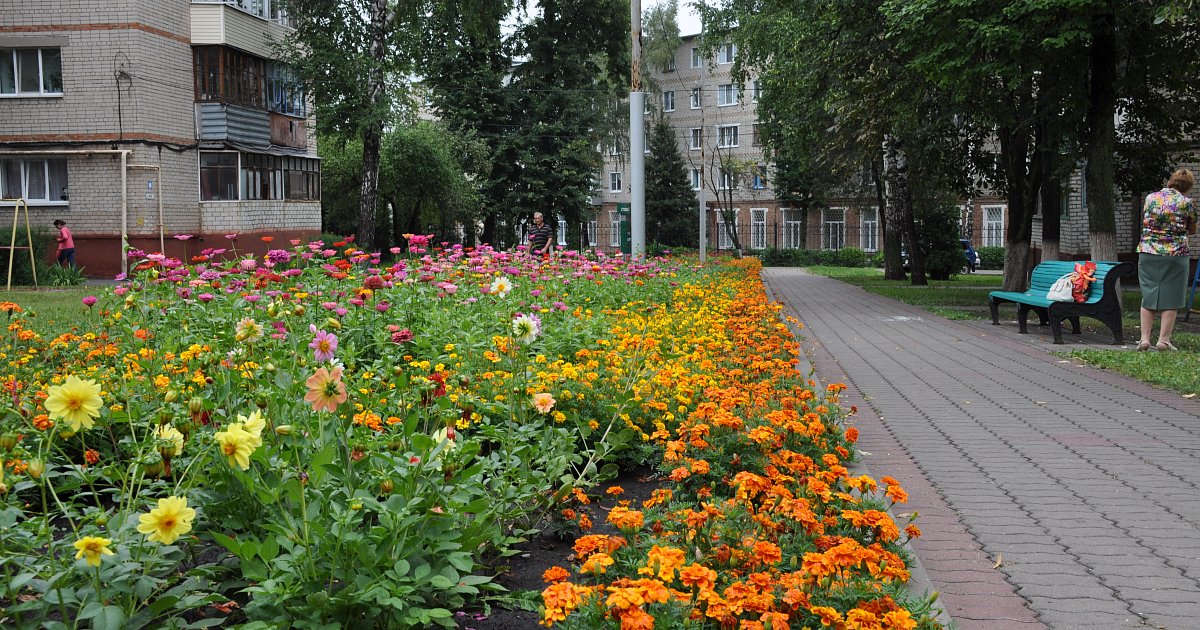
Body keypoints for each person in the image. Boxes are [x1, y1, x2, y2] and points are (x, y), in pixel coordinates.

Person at [1135, 168, 1197, 351]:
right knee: (1172, 295)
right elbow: (1192, 230)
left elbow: (1147, 220)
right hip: (1175, 254)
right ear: (1188, 186)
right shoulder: (1187, 203)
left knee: (1149, 293)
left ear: (1170, 181)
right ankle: (1163, 340)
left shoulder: (1150, 198)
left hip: (1148, 251)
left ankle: (1144, 339)